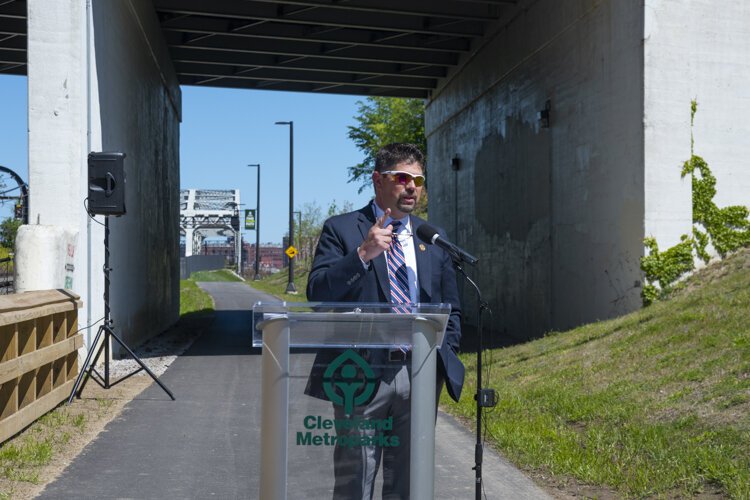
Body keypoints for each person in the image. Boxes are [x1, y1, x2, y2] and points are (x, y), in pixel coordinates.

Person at [305, 143, 465, 499]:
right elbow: (316, 293)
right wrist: (363, 254)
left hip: (420, 372)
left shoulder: (431, 238)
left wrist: (442, 356)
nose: (412, 187)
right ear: (378, 180)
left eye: (418, 180)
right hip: (359, 373)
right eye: (402, 178)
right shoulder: (342, 229)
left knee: (411, 479)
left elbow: (451, 308)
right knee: (355, 479)